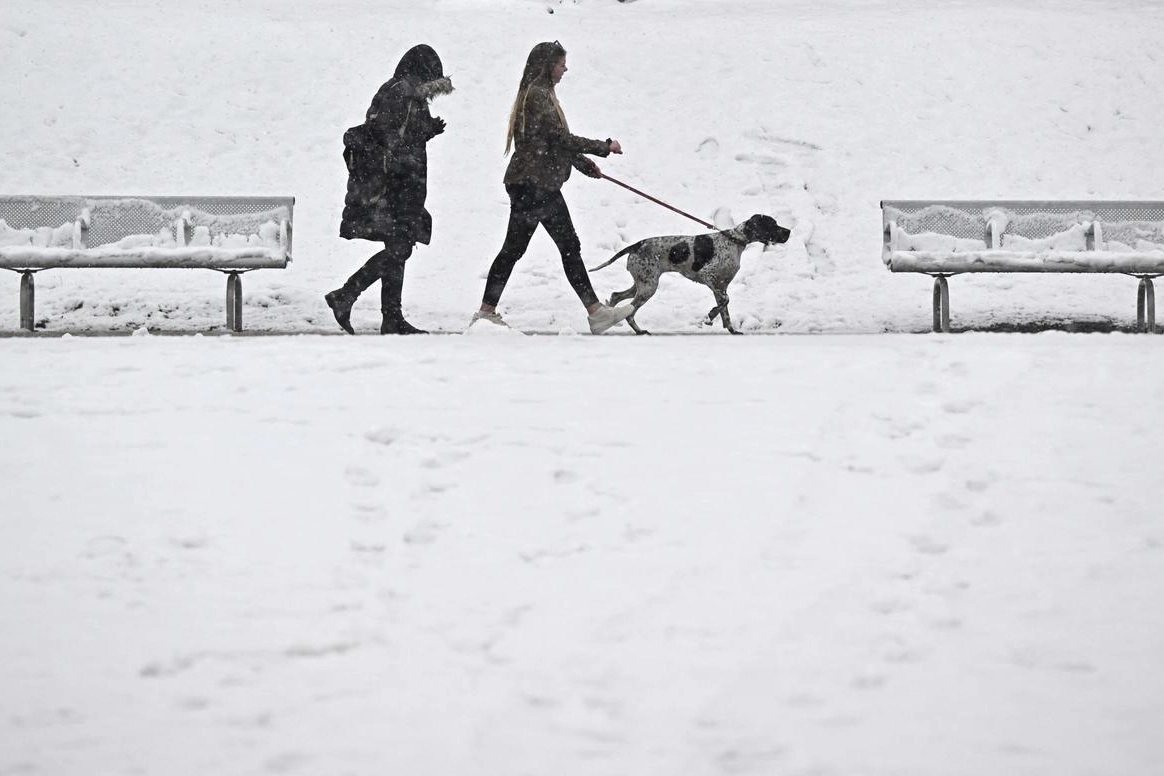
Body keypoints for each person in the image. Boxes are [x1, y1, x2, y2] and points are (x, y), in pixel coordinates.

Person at [471, 41, 633, 334]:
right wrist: (603, 147)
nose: (565, 69)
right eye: (561, 64)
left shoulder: (541, 94)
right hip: (535, 187)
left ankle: (486, 312)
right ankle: (595, 312)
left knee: (519, 249)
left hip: (533, 185)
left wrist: (584, 165)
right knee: (563, 247)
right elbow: (559, 138)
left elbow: (552, 141)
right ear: (548, 66)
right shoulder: (537, 96)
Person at [325, 44, 453, 335]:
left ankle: (391, 317)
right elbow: (392, 143)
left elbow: (398, 138)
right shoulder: (401, 93)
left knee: (398, 248)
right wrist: (425, 133)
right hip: (395, 188)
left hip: (400, 186)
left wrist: (424, 132)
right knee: (400, 248)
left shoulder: (405, 91)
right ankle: (346, 295)